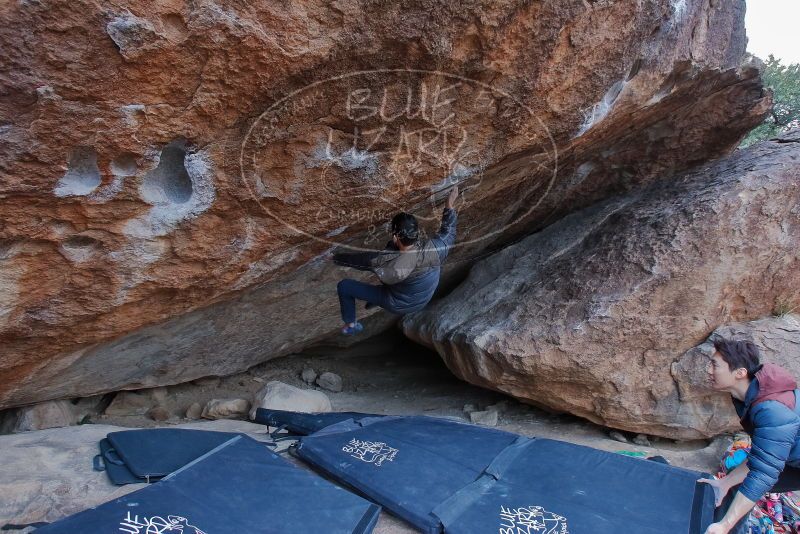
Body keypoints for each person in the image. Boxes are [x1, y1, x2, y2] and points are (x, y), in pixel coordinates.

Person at [699, 337, 800, 534]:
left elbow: (764, 472)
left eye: (715, 365)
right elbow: (762, 457)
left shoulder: (772, 409)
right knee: (735, 483)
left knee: (754, 480)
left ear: (740, 373)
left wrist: (725, 525)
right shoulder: (750, 395)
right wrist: (724, 483)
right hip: (792, 457)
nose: (708, 370)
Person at [330, 185, 458, 335]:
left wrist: (335, 258)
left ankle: (351, 324)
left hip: (396, 302)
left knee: (344, 286)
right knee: (391, 275)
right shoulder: (437, 248)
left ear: (396, 237)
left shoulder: (385, 262)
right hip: (422, 299)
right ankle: (377, 298)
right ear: (416, 233)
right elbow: (449, 230)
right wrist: (449, 204)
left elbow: (360, 260)